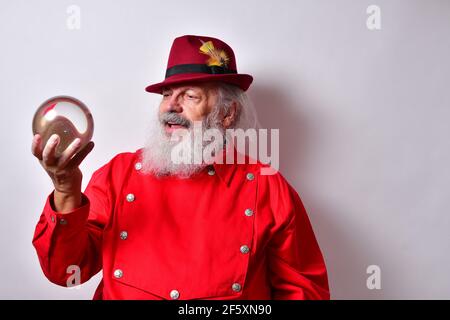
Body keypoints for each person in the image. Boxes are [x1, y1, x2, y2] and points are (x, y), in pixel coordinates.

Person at [31, 35, 330, 300]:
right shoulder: (118, 174)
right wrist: (66, 191)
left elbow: (304, 291)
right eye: (166, 95)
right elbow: (67, 272)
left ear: (227, 114)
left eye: (189, 95)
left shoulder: (265, 186)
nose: (170, 106)